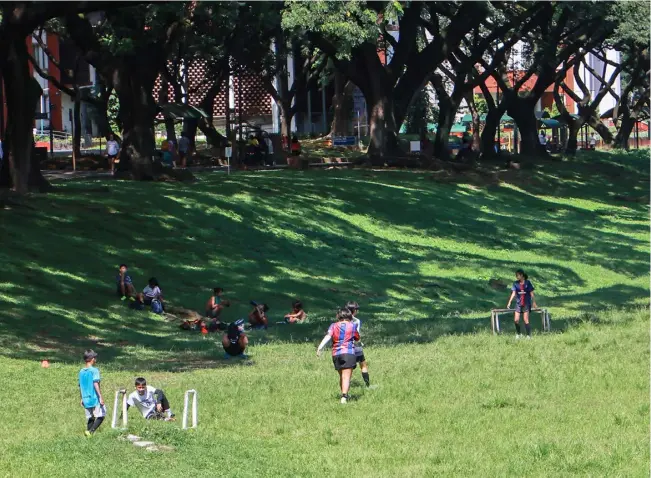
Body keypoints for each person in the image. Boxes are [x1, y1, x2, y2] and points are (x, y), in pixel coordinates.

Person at [317, 307, 360, 404]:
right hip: (348, 353)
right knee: (346, 376)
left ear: (338, 316)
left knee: (341, 376)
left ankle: (344, 394)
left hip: (336, 354)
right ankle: (344, 397)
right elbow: (357, 338)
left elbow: (328, 336)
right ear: (349, 316)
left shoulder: (333, 325)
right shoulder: (353, 325)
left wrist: (320, 347)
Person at [79, 349, 105, 436]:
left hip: (86, 398)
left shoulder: (81, 371)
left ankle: (88, 434)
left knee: (91, 417)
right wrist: (100, 396)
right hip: (94, 398)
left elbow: (80, 386)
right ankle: (91, 431)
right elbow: (95, 384)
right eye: (95, 358)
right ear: (92, 359)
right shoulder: (94, 370)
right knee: (101, 415)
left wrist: (81, 398)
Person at [507, 269, 537, 339]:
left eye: (518, 275)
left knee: (525, 320)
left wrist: (534, 302)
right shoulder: (515, 283)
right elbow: (513, 293)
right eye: (516, 275)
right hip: (518, 304)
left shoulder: (528, 283)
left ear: (522, 275)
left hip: (526, 304)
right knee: (516, 320)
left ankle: (528, 335)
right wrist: (509, 302)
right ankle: (519, 334)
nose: (516, 276)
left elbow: (531, 293)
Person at [346, 301, 370, 387]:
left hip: (345, 346)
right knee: (363, 365)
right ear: (355, 310)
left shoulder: (342, 319)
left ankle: (346, 387)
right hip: (356, 345)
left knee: (348, 368)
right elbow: (357, 333)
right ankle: (368, 385)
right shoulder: (357, 321)